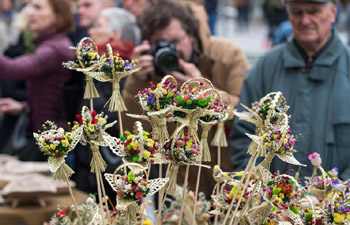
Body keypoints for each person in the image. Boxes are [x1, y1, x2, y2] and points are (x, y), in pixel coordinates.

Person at [122, 0, 250, 196]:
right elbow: (131, 133)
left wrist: (204, 92)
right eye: (160, 44)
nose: (171, 51)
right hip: (182, 188)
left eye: (175, 42)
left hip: (229, 177)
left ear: (190, 35)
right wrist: (136, 81)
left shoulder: (226, 54)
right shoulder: (151, 74)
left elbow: (246, 113)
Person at [230, 0, 350, 180]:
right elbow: (243, 135)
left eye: (313, 11)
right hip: (270, 203)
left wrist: (337, 196)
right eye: (297, 12)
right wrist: (259, 186)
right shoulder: (266, 68)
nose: (305, 20)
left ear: (333, 12)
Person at [0, 0, 74, 161]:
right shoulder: (52, 44)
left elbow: (13, 69)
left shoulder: (55, 49)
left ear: (57, 16)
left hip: (55, 145)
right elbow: (52, 98)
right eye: (30, 6)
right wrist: (24, 108)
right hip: (50, 139)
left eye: (38, 7)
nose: (29, 13)